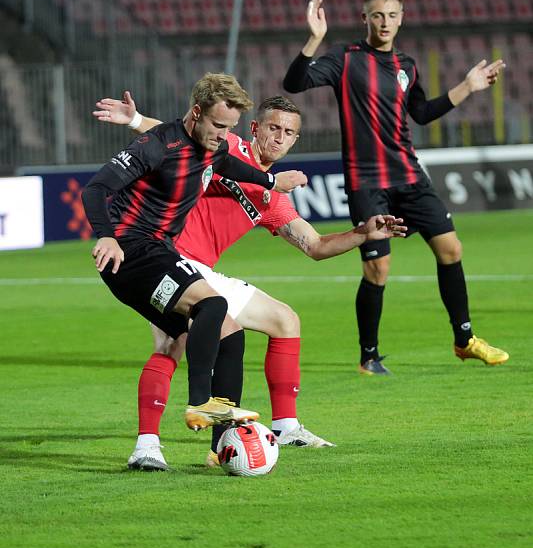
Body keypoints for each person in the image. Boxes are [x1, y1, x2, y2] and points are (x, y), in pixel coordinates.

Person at [94, 91, 406, 470]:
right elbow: (175, 138)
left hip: (197, 270)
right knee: (176, 342)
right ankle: (159, 444)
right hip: (168, 257)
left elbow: (316, 246)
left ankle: (268, 429)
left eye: (289, 132)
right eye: (273, 127)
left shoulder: (273, 197)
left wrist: (363, 233)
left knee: (278, 322)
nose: (279, 137)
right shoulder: (229, 145)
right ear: (255, 128)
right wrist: (134, 119)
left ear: (295, 140)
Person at [283, 0, 509, 375]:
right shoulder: (345, 58)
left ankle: (465, 340)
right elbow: (294, 84)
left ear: (401, 18)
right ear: (365, 18)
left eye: (391, 15)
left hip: (409, 176)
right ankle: (368, 357)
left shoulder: (408, 65)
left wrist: (467, 88)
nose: (384, 22)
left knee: (451, 249)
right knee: (378, 270)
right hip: (367, 182)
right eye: (377, 15)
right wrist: (315, 39)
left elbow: (420, 113)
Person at [82, 73, 308, 441]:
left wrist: (271, 182)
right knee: (213, 304)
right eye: (219, 125)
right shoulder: (155, 146)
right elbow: (95, 189)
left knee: (228, 335)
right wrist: (107, 236)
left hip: (157, 252)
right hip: (134, 249)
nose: (223, 135)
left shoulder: (213, 146)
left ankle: (197, 441)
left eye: (229, 127)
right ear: (196, 112)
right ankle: (201, 402)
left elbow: (231, 165)